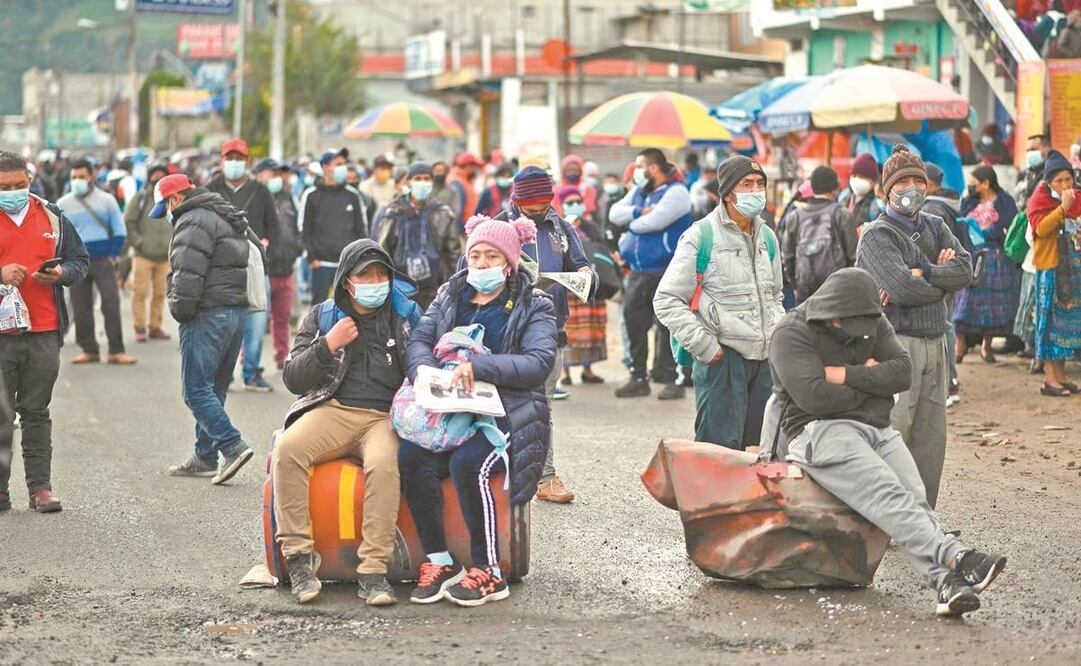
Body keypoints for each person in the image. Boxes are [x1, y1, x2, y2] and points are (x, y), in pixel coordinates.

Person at [768, 267, 1007, 617]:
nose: (861, 334)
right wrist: (872, 385)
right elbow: (815, 398)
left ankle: (946, 583)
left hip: (875, 425)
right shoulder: (790, 333)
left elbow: (901, 373)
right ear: (833, 312)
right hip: (819, 431)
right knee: (889, 494)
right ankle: (957, 557)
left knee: (915, 499)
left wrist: (845, 375)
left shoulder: (870, 316)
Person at [399, 215, 556, 607]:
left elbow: (539, 362)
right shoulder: (450, 294)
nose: (482, 264)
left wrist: (480, 367)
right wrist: (427, 374)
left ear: (509, 263)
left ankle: (490, 570)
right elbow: (419, 341)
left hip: (507, 413)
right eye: (475, 255)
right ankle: (439, 560)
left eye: (492, 256)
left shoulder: (534, 304)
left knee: (469, 463)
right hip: (449, 409)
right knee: (411, 459)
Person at [274, 240, 421, 606]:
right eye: (365, 275)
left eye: (381, 274)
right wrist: (327, 345)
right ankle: (299, 559)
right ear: (347, 280)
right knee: (287, 449)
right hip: (335, 409)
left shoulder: (406, 315)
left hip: (385, 417)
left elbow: (425, 364)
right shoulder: (324, 316)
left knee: (384, 465)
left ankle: (373, 571)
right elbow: (293, 378)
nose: (375, 281)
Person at [855, 145, 973, 509]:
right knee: (894, 433)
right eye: (903, 181)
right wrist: (940, 280)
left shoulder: (936, 225)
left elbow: (965, 270)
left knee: (930, 437)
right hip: (897, 345)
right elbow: (903, 289)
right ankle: (884, 518)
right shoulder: (877, 235)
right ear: (887, 189)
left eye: (918, 181)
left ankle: (921, 519)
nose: (912, 188)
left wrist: (926, 271)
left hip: (936, 341)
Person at [655, 157, 783, 450]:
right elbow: (666, 299)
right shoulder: (701, 235)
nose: (756, 191)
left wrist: (778, 333)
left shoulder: (767, 237)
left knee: (763, 449)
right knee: (718, 450)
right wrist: (704, 345)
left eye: (760, 184)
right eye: (746, 184)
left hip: (765, 359)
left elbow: (775, 294)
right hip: (722, 358)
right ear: (727, 193)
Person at [488, 166, 593, 503]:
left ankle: (545, 478)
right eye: (531, 205)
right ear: (517, 200)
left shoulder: (561, 227)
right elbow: (471, 269)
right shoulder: (498, 227)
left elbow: (581, 264)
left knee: (542, 406)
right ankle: (499, 477)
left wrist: (585, 274)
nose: (538, 210)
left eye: (544, 203)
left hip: (550, 329)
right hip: (507, 330)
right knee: (501, 406)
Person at [0, 151, 89, 513]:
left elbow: (79, 261)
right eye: (5, 187)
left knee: (36, 411)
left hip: (44, 330)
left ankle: (40, 489)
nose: (13, 192)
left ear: (30, 181)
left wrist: (61, 274)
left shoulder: (52, 215)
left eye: (19, 185)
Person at [157, 174, 255, 484]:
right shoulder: (224, 213)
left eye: (166, 207)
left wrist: (180, 311)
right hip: (236, 310)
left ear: (175, 199)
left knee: (195, 390)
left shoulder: (192, 220)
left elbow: (187, 273)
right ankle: (205, 456)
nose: (168, 215)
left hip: (208, 313)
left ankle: (232, 445)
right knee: (215, 388)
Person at [609, 148, 694, 401]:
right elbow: (614, 213)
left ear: (653, 168)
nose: (636, 171)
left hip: (666, 271)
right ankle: (638, 378)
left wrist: (632, 223)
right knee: (634, 323)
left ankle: (673, 379)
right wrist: (638, 212)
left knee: (669, 327)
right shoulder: (640, 192)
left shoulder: (677, 192)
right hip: (638, 270)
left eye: (639, 166)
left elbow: (654, 222)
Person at [206, 139, 280, 392]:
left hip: (255, 267)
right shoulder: (211, 190)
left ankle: (251, 371)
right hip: (222, 268)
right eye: (230, 158)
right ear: (222, 161)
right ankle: (222, 375)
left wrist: (268, 246)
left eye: (239, 159)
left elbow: (274, 227)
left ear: (248, 161)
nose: (234, 163)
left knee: (257, 323)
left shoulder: (261, 191)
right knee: (223, 324)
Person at [57, 159, 136, 366]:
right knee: (81, 307)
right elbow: (58, 234)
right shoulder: (62, 204)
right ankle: (89, 349)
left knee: (111, 304)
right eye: (74, 177)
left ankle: (116, 350)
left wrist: (113, 255)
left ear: (91, 176)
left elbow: (119, 230)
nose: (77, 181)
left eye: (81, 177)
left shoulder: (107, 200)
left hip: (103, 260)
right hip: (76, 263)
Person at [1026, 150, 1081, 396]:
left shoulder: (1077, 197)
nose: (1065, 185)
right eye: (1059, 180)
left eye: (1068, 179)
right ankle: (1049, 379)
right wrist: (1063, 208)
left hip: (1072, 271)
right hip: (1050, 269)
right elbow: (1041, 229)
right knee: (1049, 323)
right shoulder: (1039, 199)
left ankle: (1061, 376)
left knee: (1064, 327)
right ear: (1049, 182)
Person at [954, 166, 1021, 364]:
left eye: (973, 184)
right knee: (963, 302)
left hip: (995, 260)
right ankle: (960, 344)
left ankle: (986, 345)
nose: (970, 187)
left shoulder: (1005, 201)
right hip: (970, 256)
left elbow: (1009, 228)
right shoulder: (969, 201)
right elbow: (960, 222)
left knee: (992, 303)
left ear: (985, 183)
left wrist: (984, 233)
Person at [375, 162, 462, 310]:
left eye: (426, 178)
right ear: (408, 181)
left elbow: (453, 252)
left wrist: (452, 285)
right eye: (418, 178)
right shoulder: (393, 211)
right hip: (401, 286)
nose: (422, 183)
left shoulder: (442, 212)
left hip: (434, 286)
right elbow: (384, 249)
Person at [921, 163, 968, 407]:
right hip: (948, 273)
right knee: (946, 325)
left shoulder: (932, 208)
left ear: (928, 183)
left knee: (942, 327)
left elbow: (929, 247)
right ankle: (949, 382)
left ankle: (948, 383)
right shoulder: (950, 203)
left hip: (936, 274)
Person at [300, 148, 369, 304]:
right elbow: (304, 229)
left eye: (344, 164)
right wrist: (312, 258)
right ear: (325, 167)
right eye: (338, 164)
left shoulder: (353, 195)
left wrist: (359, 259)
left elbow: (361, 229)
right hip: (321, 264)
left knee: (349, 308)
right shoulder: (311, 195)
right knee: (320, 308)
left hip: (348, 265)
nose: (342, 168)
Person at [780, 165, 857, 303]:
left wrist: (797, 285)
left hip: (805, 294)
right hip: (836, 292)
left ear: (813, 188)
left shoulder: (795, 217)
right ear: (835, 189)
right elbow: (853, 257)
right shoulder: (842, 214)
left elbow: (787, 257)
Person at [255, 159, 303, 370]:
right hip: (263, 271)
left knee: (282, 318)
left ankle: (282, 357)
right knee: (256, 322)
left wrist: (297, 249)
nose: (276, 178)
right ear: (259, 175)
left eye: (278, 174)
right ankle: (250, 363)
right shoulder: (254, 198)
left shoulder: (289, 198)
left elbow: (298, 227)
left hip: (286, 268)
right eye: (271, 173)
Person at [557, 187, 607, 385]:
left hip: (590, 287)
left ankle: (588, 369)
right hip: (569, 288)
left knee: (591, 327)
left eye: (578, 201)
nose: (575, 205)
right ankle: (565, 372)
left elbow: (602, 249)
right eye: (570, 202)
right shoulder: (558, 227)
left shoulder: (590, 227)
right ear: (562, 205)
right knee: (569, 328)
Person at [124, 162, 172, 343]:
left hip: (165, 256)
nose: (158, 178)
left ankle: (155, 326)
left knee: (160, 293)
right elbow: (128, 222)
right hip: (143, 255)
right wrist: (138, 243)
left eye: (162, 175)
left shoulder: (172, 199)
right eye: (155, 175)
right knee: (140, 292)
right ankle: (139, 326)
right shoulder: (141, 198)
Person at [838, 153, 883, 232]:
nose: (856, 180)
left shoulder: (877, 204)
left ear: (873, 181)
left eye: (861, 177)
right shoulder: (844, 196)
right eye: (854, 175)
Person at [448, 152, 484, 229]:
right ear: (467, 166)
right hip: (462, 230)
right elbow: (457, 212)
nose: (476, 170)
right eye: (475, 167)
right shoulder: (457, 183)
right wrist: (460, 232)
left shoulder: (464, 181)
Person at [559, 154, 597, 218]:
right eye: (569, 170)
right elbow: (556, 207)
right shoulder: (557, 189)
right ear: (564, 172)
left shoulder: (587, 188)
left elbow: (590, 207)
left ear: (580, 171)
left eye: (575, 170)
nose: (572, 172)